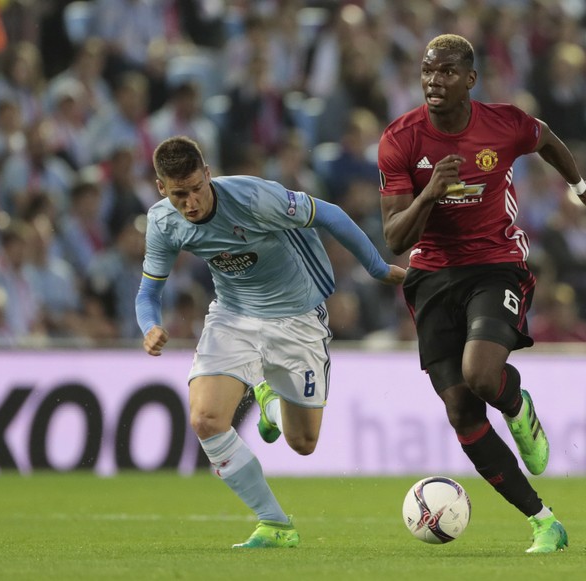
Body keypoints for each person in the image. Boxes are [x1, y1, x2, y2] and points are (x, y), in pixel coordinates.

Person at [378, 34, 586, 554]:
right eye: (427, 72)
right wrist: (431, 194)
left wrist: (578, 185)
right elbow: (395, 237)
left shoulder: (503, 123)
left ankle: (515, 401)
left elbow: (545, 138)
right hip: (431, 276)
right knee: (461, 411)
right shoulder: (402, 139)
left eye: (446, 73)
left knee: (481, 375)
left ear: (470, 80)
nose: (434, 82)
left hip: (495, 265)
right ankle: (544, 521)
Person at [135, 135, 405, 548]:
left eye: (195, 190)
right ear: (160, 189)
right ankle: (275, 523)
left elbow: (328, 214)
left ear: (208, 175)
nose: (189, 203)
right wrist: (150, 326)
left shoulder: (254, 198)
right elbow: (148, 294)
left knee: (303, 443)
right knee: (206, 419)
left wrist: (376, 266)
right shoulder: (162, 223)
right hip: (233, 316)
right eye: (177, 195)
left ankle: (268, 401)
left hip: (298, 318)